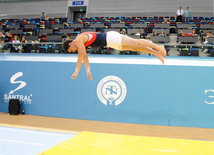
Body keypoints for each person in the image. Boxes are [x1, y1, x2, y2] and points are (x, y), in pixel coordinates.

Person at [62, 31, 167, 80]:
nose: (73, 51)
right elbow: (79, 60)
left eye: (71, 50)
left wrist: (88, 71)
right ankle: (155, 53)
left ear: (70, 44)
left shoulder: (79, 39)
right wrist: (76, 72)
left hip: (110, 37)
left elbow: (84, 57)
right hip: (110, 43)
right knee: (134, 48)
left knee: (135, 43)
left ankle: (158, 47)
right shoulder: (80, 46)